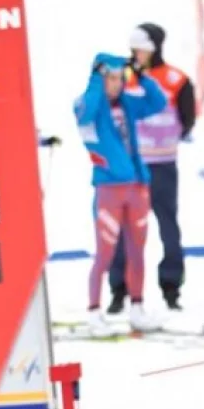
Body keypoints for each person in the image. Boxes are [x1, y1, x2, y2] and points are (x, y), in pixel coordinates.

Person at [74, 52, 167, 334]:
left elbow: (158, 102)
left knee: (137, 251)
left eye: (119, 78)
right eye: (110, 79)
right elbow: (86, 113)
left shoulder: (127, 103)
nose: (116, 84)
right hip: (108, 188)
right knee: (104, 253)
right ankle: (94, 312)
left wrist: (139, 73)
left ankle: (137, 308)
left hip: (137, 186)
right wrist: (96, 78)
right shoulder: (86, 104)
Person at [109, 23, 195, 314]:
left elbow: (188, 117)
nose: (135, 54)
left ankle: (171, 287)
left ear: (154, 47)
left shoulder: (176, 79)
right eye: (133, 49)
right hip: (130, 167)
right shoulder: (123, 77)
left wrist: (166, 139)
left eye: (140, 48)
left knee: (168, 225)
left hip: (162, 166)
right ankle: (118, 290)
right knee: (122, 229)